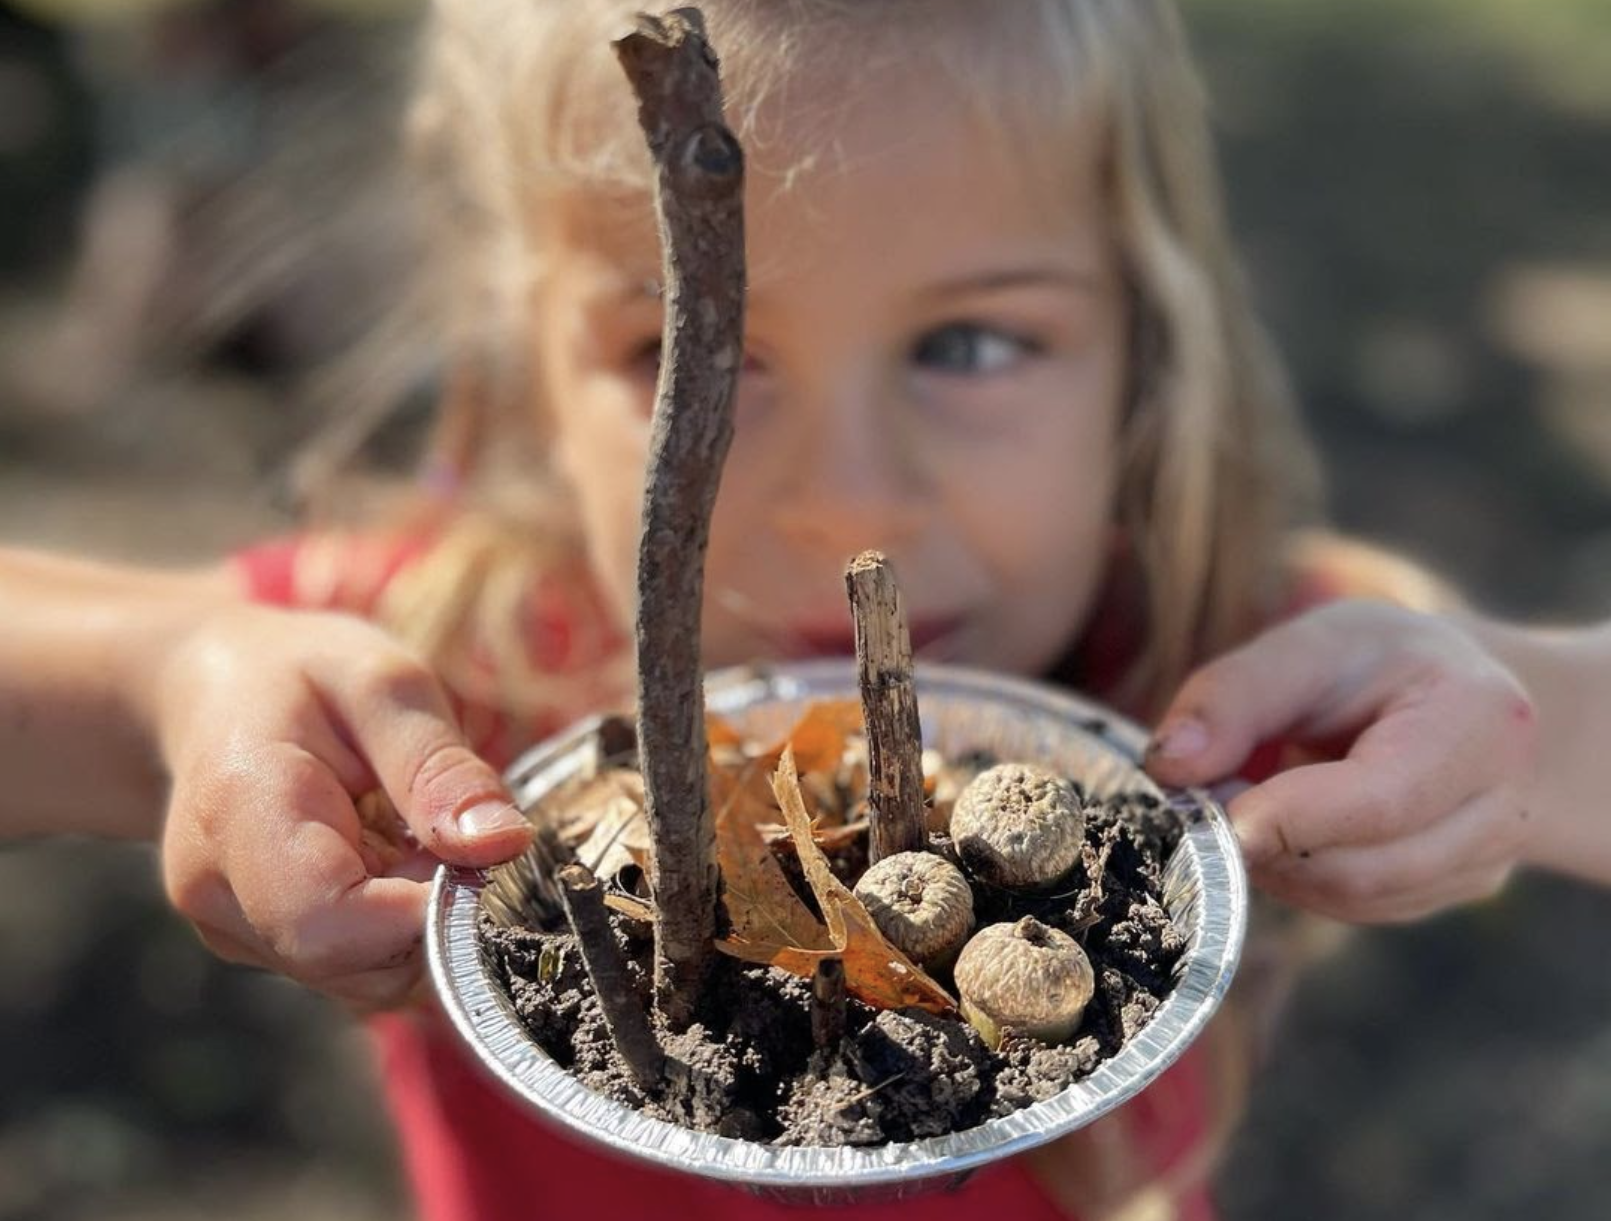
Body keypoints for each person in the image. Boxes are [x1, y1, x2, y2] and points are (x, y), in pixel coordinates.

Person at [2, 0, 1608, 1217]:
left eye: (969, 345)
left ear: (1145, 355)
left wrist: (1509, 713)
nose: (849, 503)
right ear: (514, 378)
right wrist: (168, 677)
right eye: (691, 356)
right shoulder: (441, 675)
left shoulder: (1223, 661)